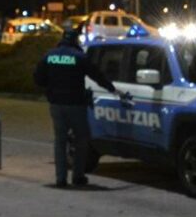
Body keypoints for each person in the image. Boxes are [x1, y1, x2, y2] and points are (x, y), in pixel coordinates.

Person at [32, 28, 126, 188]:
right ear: (75, 40)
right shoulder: (80, 57)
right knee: (82, 140)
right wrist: (113, 89)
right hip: (76, 104)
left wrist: (51, 87)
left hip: (56, 104)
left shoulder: (49, 56)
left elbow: (38, 78)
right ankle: (78, 176)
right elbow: (97, 76)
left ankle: (60, 179)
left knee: (60, 141)